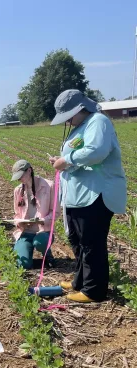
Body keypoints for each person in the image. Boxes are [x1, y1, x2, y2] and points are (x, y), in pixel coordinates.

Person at [50, 89, 127, 303]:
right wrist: (63, 160)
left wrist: (66, 160)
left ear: (80, 109)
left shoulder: (98, 121)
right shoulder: (81, 127)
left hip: (96, 195)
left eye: (68, 116)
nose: (68, 121)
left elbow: (96, 151)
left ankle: (94, 290)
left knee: (92, 242)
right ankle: (80, 282)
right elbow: (78, 159)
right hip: (79, 196)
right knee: (79, 241)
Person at [11, 160, 59, 269]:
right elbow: (17, 214)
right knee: (23, 265)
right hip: (26, 232)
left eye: (21, 176)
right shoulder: (18, 190)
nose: (19, 179)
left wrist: (42, 220)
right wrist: (19, 223)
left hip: (43, 231)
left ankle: (47, 255)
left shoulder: (49, 186)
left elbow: (55, 212)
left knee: (39, 242)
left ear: (29, 171)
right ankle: (28, 253)